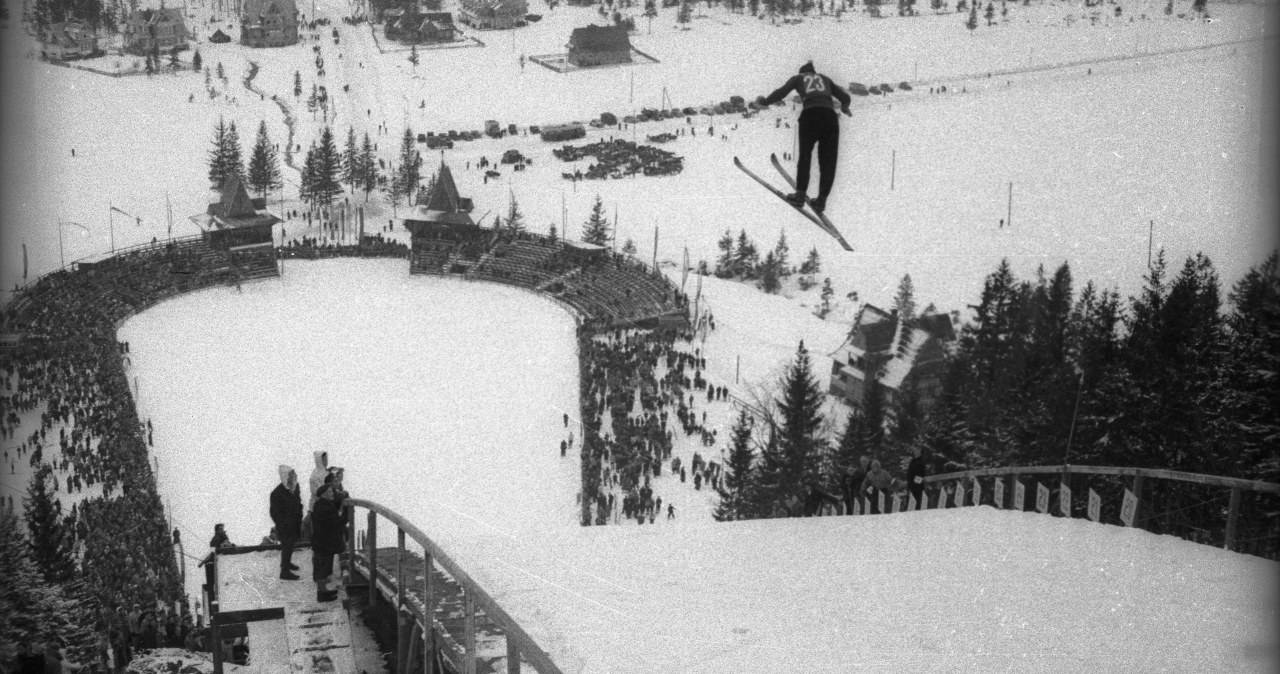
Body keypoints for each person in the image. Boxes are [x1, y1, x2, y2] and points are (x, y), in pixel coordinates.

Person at [755, 61, 852, 215]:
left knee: (805, 154)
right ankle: (821, 200)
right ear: (814, 72)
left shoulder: (798, 78)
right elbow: (845, 97)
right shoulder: (825, 79)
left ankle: (800, 195)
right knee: (829, 160)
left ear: (802, 72)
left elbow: (781, 92)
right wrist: (845, 108)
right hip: (830, 117)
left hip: (810, 115)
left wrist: (764, 102)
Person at [311, 480, 346, 602]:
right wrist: (346, 514)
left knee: (323, 566)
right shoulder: (326, 507)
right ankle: (322, 594)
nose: (332, 493)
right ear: (324, 494)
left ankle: (323, 591)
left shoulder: (320, 504)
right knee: (324, 568)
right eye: (330, 491)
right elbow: (337, 523)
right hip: (325, 543)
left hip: (321, 541)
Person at [269, 465, 302, 580]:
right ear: (285, 476)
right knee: (287, 546)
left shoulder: (294, 487)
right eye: (290, 474)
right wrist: (283, 524)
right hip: (285, 526)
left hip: (294, 523)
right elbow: (274, 513)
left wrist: (299, 515)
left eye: (293, 474)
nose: (293, 476)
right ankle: (284, 571)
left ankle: (287, 563)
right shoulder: (276, 493)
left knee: (290, 545)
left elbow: (298, 502)